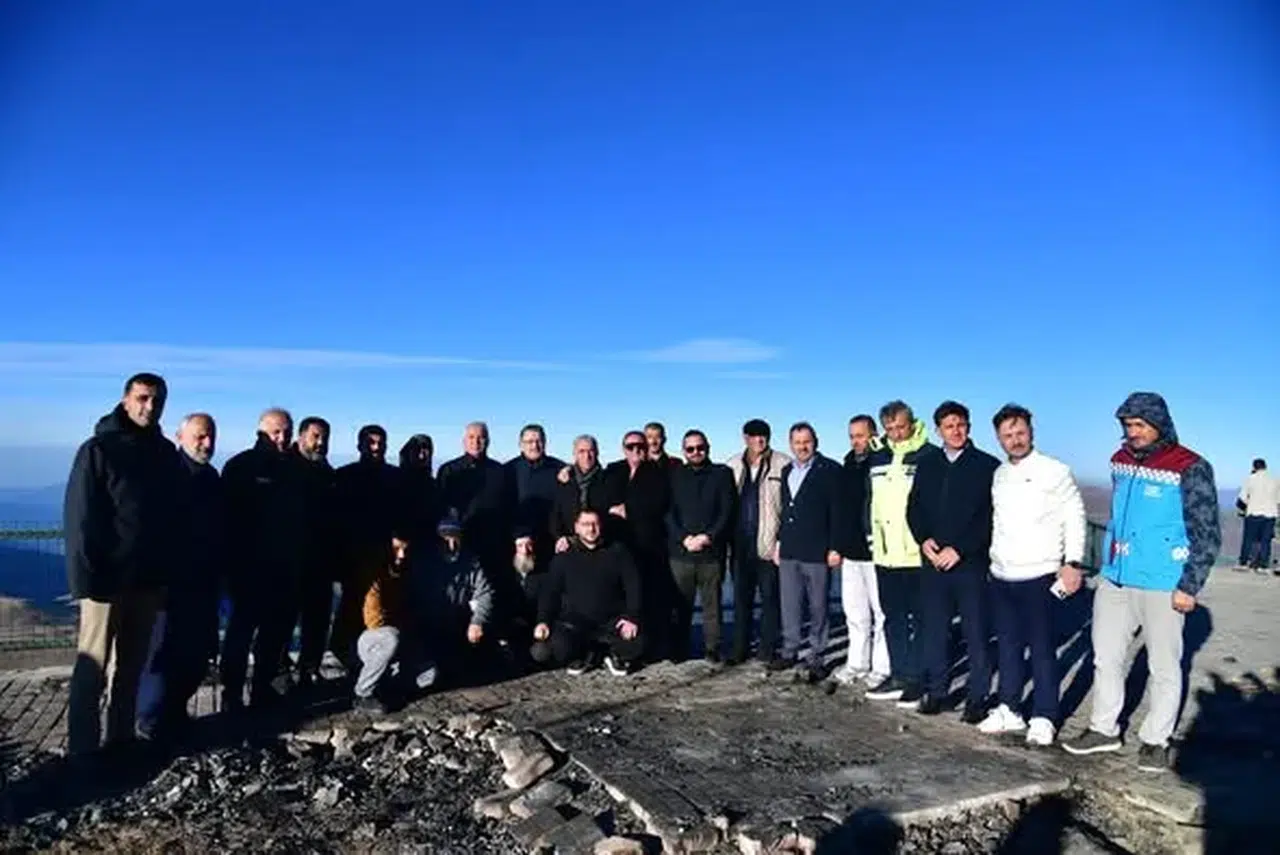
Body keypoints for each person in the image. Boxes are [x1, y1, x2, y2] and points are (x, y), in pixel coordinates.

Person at [1062, 393, 1221, 772]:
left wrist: (1190, 585)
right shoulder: (1120, 461)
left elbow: (1207, 531)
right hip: (1116, 577)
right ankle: (1104, 729)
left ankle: (1155, 740)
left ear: (1159, 424)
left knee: (1163, 665)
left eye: (1140, 425)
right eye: (1127, 425)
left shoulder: (1190, 466)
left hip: (1164, 582)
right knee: (1106, 657)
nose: (1133, 432)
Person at [64, 373, 180, 756]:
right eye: (143, 398)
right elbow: (80, 519)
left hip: (148, 579)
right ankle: (82, 751)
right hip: (105, 580)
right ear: (126, 399)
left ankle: (120, 740)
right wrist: (84, 580)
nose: (150, 406)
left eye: (157, 400)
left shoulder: (164, 453)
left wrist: (165, 573)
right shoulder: (98, 450)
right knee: (92, 667)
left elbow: (170, 518)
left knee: (131, 667)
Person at [979, 404, 1086, 748]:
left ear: (1031, 431)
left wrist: (1073, 562)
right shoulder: (999, 475)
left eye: (1020, 432)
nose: (1015, 440)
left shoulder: (1055, 471)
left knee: (1042, 648)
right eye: (1007, 435)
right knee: (1008, 647)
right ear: (999, 439)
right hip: (1002, 574)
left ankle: (1044, 715)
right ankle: (1009, 708)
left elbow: (1075, 516)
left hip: (1040, 573)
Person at [906, 401, 999, 720]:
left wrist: (960, 549)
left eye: (961, 425)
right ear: (938, 430)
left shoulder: (986, 465)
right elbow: (914, 507)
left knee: (975, 632)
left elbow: (989, 517)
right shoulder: (927, 464)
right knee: (935, 631)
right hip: (933, 563)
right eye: (949, 426)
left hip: (970, 564)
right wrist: (924, 540)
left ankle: (977, 697)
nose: (956, 431)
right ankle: (937, 691)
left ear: (968, 427)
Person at [139, 413, 225, 741]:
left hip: (203, 580)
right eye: (200, 436)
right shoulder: (166, 474)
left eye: (211, 436)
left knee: (196, 652)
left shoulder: (211, 476)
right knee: (162, 653)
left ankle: (175, 711)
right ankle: (149, 719)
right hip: (170, 582)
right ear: (180, 437)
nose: (207, 443)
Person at [220, 408, 308, 711]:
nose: (282, 438)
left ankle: (262, 689)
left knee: (275, 633)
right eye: (275, 432)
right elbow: (226, 519)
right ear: (261, 433)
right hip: (248, 568)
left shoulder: (296, 469)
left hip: (286, 567)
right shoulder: (241, 467)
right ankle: (231, 694)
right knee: (241, 632)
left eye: (286, 432)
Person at [865, 400, 938, 706]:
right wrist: (871, 538)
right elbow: (868, 500)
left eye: (901, 427)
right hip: (885, 554)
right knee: (892, 617)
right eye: (890, 428)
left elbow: (934, 503)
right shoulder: (878, 456)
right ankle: (899, 675)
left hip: (916, 554)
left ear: (912, 423)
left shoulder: (928, 455)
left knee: (921, 619)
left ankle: (918, 679)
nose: (896, 433)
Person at [531, 509, 644, 676]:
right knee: (550, 649)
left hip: (611, 621)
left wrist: (632, 617)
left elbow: (633, 586)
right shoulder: (564, 557)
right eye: (585, 524)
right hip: (576, 622)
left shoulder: (618, 552)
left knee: (638, 642)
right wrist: (543, 621)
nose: (591, 529)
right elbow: (550, 592)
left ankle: (610, 654)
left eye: (595, 524)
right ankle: (585, 655)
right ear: (576, 527)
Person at [775, 422, 845, 682]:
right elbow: (786, 510)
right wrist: (779, 542)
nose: (802, 447)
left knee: (818, 606)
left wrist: (835, 546)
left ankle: (817, 655)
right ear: (790, 444)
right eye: (797, 442)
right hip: (790, 548)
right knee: (790, 605)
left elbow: (837, 511)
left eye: (807, 442)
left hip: (818, 550)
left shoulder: (830, 470)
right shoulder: (786, 471)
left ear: (815, 442)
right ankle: (790, 650)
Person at [333, 424, 404, 669]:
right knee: (351, 607)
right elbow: (335, 518)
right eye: (371, 443)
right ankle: (347, 656)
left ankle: (379, 657)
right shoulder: (344, 476)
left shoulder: (395, 477)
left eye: (380, 443)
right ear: (359, 445)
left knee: (384, 609)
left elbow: (402, 514)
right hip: (353, 555)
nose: (376, 448)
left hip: (386, 556)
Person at [665, 429, 736, 662]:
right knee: (680, 604)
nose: (696, 452)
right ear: (684, 451)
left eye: (700, 447)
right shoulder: (675, 475)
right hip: (681, 552)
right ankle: (679, 648)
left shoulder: (722, 474)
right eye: (690, 448)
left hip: (711, 552)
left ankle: (712, 648)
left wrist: (709, 536)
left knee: (712, 604)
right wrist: (683, 538)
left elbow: (727, 510)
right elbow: (668, 511)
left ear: (708, 448)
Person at [725, 419, 791, 666]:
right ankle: (739, 649)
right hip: (740, 544)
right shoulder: (732, 465)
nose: (759, 440)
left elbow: (789, 506)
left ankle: (767, 649)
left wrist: (781, 540)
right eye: (754, 436)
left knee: (770, 600)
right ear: (745, 438)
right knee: (741, 600)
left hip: (768, 543)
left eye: (763, 435)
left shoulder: (783, 464)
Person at [602, 431, 673, 661]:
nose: (636, 450)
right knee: (620, 595)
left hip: (648, 546)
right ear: (623, 448)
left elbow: (659, 503)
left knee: (649, 596)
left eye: (640, 446)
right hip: (617, 544)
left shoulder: (658, 473)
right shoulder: (613, 470)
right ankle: (619, 642)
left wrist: (628, 510)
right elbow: (601, 499)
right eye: (630, 446)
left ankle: (650, 646)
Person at [353, 531, 439, 714]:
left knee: (429, 674)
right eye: (396, 549)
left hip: (397, 638)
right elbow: (374, 619)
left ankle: (389, 684)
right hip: (371, 639)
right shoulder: (373, 574)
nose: (402, 555)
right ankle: (363, 693)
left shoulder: (406, 574)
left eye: (405, 550)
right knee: (390, 638)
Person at [833, 414, 889, 687]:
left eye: (861, 435)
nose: (856, 441)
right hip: (851, 550)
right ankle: (857, 662)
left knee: (881, 612)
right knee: (855, 613)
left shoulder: (882, 461)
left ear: (873, 435)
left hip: (877, 549)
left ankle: (882, 667)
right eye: (852, 436)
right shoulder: (848, 464)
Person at [413, 510, 495, 682]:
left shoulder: (471, 561)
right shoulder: (425, 564)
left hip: (459, 623)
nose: (451, 546)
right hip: (431, 627)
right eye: (446, 540)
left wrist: (477, 622)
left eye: (455, 540)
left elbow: (485, 593)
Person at [291, 416, 341, 689]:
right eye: (315, 436)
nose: (321, 443)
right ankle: (277, 674)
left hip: (321, 562)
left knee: (318, 620)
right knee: (283, 620)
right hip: (289, 561)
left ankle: (309, 669)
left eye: (325, 438)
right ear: (301, 437)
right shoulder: (285, 468)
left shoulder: (328, 474)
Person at [506, 424, 567, 625]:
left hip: (548, 541)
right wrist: (516, 536)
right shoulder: (508, 470)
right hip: (517, 544)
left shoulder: (559, 469)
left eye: (539, 441)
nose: (534, 445)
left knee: (546, 592)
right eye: (529, 441)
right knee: (516, 592)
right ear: (520, 444)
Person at [550, 435, 613, 547]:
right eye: (581, 451)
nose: (587, 456)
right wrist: (559, 537)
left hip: (602, 545)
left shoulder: (608, 480)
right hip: (569, 544)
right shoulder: (565, 481)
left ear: (597, 453)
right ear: (574, 454)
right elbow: (555, 514)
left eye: (590, 451)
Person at [1236, 458, 1279, 574]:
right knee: (1266, 541)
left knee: (1248, 539)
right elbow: (1278, 499)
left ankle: (1244, 563)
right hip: (1270, 514)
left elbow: (1242, 499)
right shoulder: (1275, 479)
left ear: (1254, 467)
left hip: (1253, 513)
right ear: (1265, 467)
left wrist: (1243, 510)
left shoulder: (1250, 479)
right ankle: (1263, 565)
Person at [399, 433, 439, 543]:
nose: (421, 456)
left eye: (426, 450)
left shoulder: (433, 484)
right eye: (417, 450)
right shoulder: (395, 480)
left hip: (428, 542)